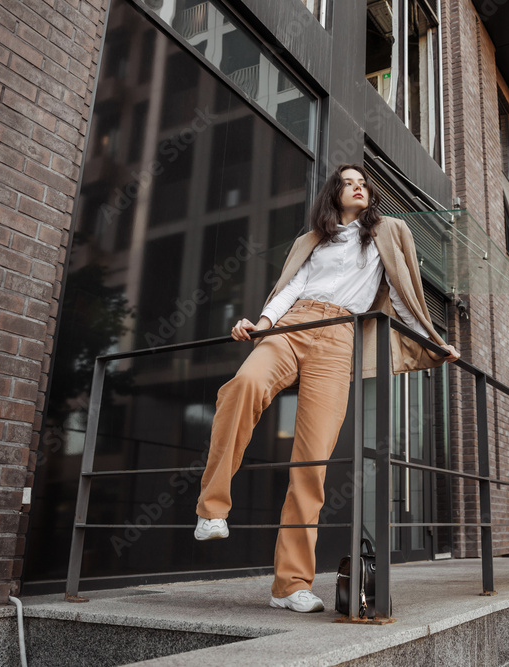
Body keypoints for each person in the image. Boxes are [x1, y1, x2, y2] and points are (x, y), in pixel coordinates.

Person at [193, 164, 460, 613]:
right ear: (334, 192)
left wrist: (433, 341)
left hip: (339, 338)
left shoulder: (387, 233)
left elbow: (403, 293)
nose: (360, 186)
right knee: (243, 384)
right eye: (350, 181)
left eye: (363, 182)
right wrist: (259, 326)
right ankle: (211, 510)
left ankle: (289, 586)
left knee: (312, 462)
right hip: (294, 325)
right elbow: (289, 288)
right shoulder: (311, 240)